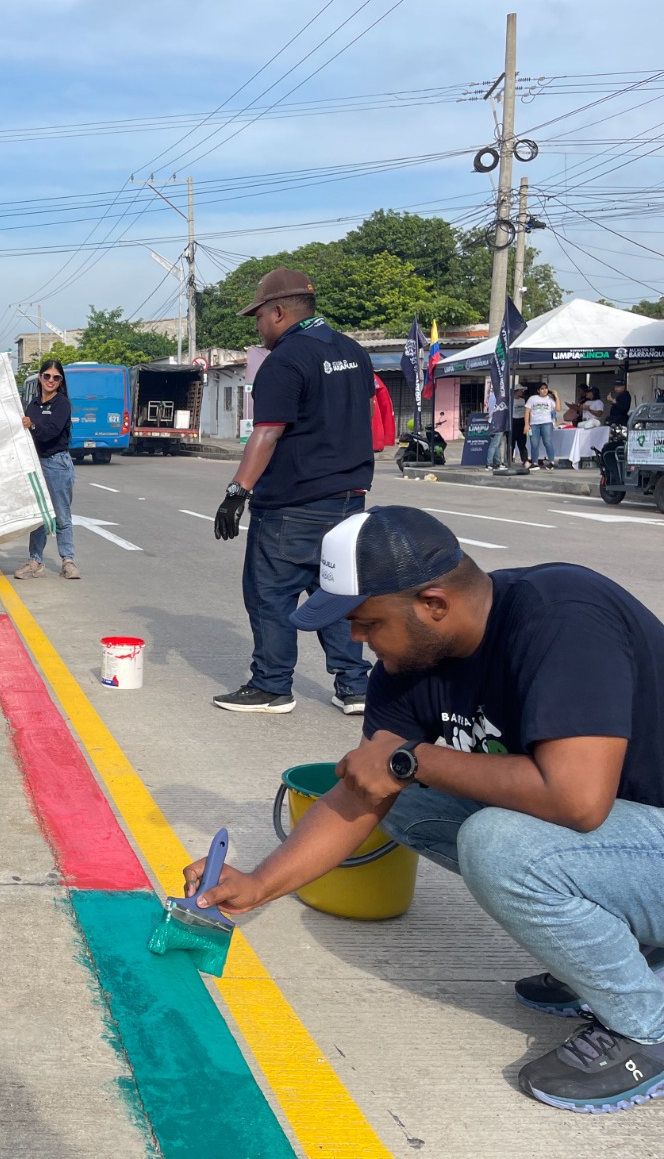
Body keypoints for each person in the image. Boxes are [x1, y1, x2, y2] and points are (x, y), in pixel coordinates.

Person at [188, 505, 664, 1113]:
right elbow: (367, 788)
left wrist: (413, 760)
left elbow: (577, 801)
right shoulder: (410, 661)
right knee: (402, 803)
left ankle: (644, 1030)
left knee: (498, 844)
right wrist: (257, 885)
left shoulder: (562, 616)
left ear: (433, 604)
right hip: (636, 847)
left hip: (640, 833)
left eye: (366, 622)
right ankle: (621, 956)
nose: (357, 640)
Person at [212, 267, 374, 716]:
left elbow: (267, 433)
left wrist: (236, 493)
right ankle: (355, 686)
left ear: (279, 312)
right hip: (349, 500)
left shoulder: (285, 360)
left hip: (292, 503)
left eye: (259, 317)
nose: (258, 327)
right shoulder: (353, 352)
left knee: (270, 593)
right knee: (336, 591)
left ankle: (271, 686)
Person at [14, 356, 78, 580]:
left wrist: (32, 425)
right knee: (38, 515)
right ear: (40, 377)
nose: (51, 380)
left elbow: (51, 432)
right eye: (47, 376)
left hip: (57, 464)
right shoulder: (32, 404)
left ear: (61, 381)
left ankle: (68, 561)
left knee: (62, 515)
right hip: (36, 463)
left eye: (56, 377)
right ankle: (35, 561)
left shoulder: (62, 404)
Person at [525, 381, 560, 469]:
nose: (544, 390)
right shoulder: (532, 398)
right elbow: (527, 412)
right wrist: (526, 424)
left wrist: (556, 397)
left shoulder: (550, 399)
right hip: (534, 424)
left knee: (548, 442)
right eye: (542, 389)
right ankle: (535, 462)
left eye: (546, 388)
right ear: (538, 390)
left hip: (547, 423)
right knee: (534, 443)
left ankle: (551, 461)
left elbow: (558, 408)